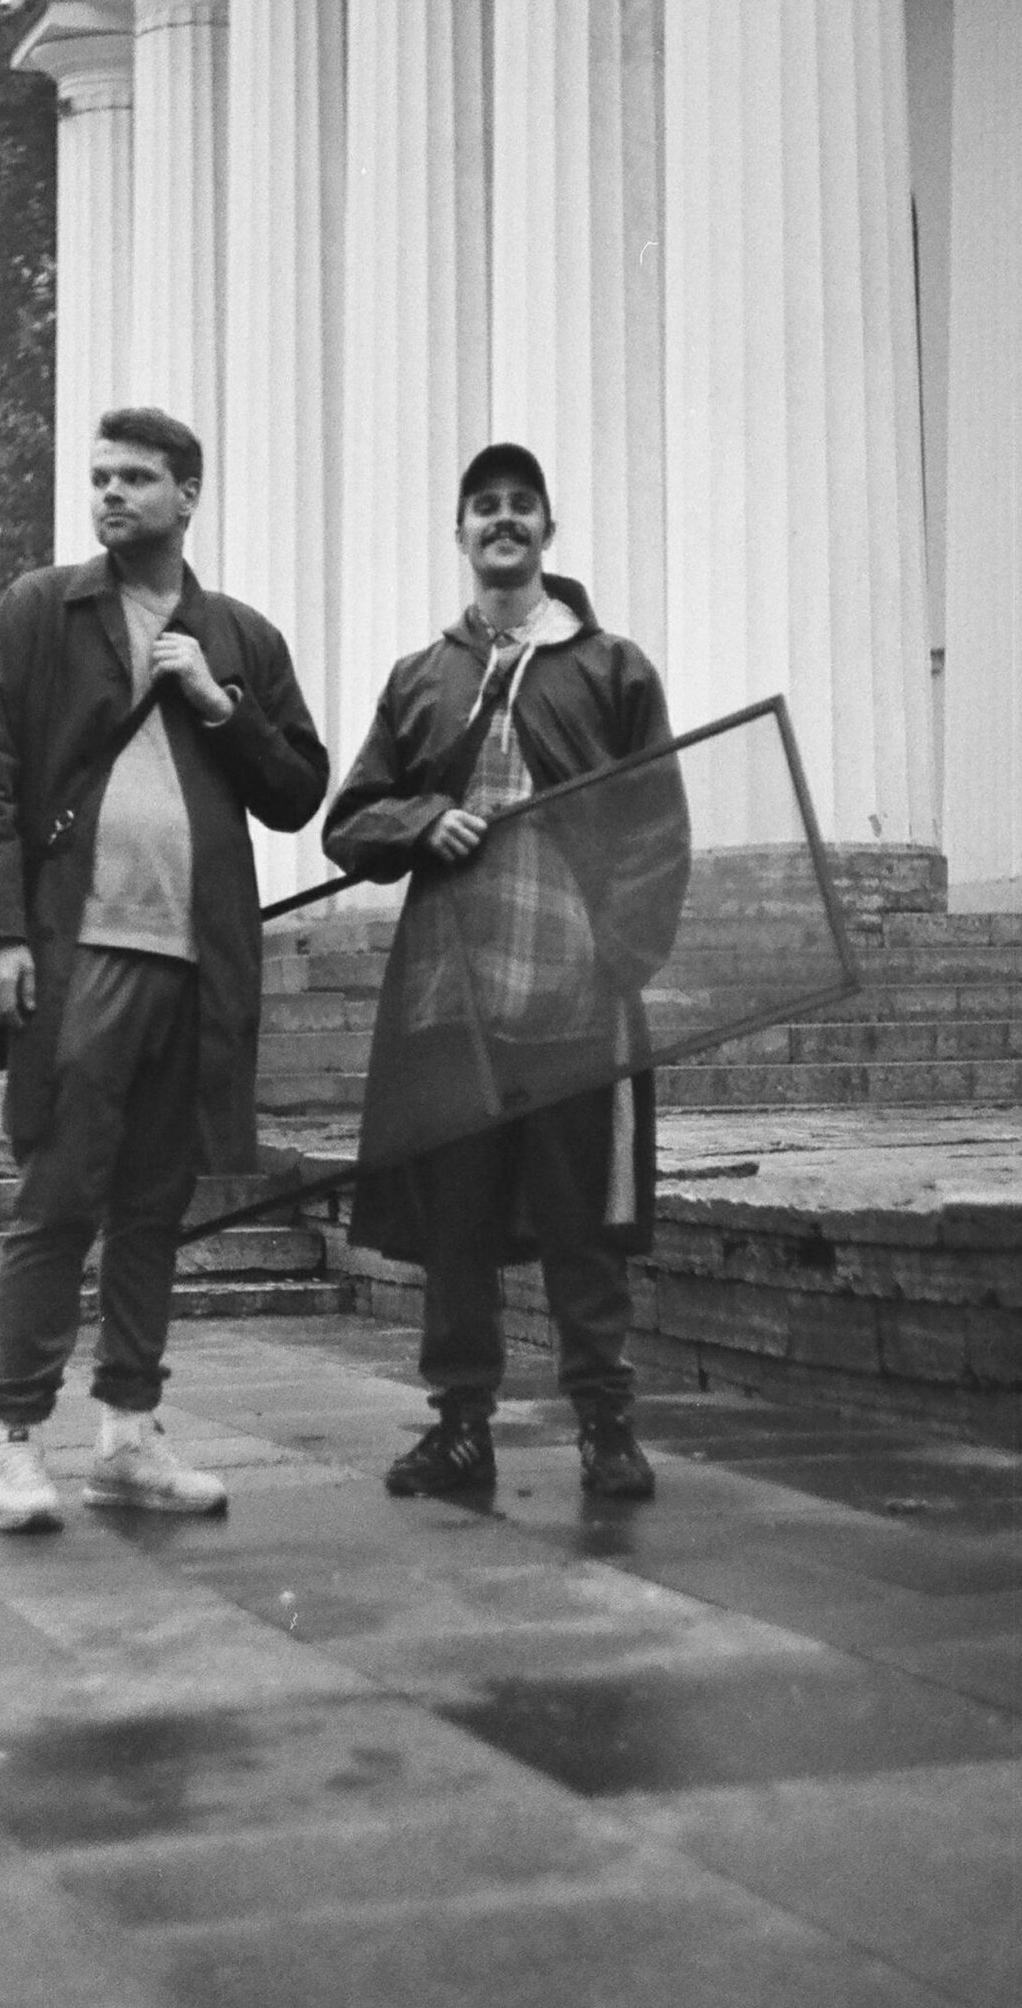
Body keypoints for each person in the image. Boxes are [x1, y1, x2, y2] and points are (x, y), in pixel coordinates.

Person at [0, 407, 329, 1533]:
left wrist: (222, 704)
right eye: (101, 477)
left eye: (137, 479)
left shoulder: (240, 636)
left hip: (195, 960)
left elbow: (298, 790)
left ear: (188, 495)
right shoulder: (40, 611)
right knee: (59, 1194)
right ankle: (16, 1441)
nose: (111, 495)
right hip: (79, 953)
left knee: (156, 1204)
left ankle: (126, 1434)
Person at [323, 443, 689, 1502]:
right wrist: (423, 815)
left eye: (521, 505)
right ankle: (458, 1429)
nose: (503, 521)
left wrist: (616, 958)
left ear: (546, 530)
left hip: (574, 999)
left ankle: (606, 1428)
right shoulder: (421, 677)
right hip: (453, 1003)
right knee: (458, 1230)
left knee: (582, 1227)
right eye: (484, 506)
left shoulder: (612, 668)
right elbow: (348, 821)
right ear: (461, 533)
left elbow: (657, 828)